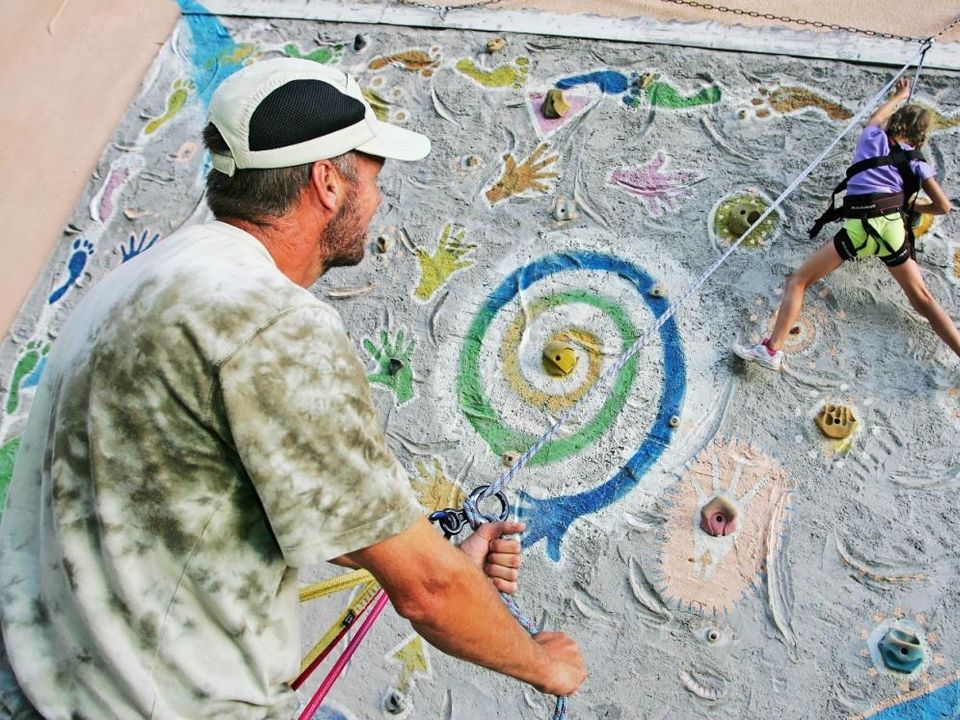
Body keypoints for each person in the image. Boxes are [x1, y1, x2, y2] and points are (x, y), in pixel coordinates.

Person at [0, 59, 586, 719]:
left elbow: (208, 484)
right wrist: (544, 663)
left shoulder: (141, 282)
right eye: (372, 177)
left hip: (41, 692)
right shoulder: (271, 322)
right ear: (327, 182)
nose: (379, 199)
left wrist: (418, 540)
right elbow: (428, 593)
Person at [734, 78, 959, 371]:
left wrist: (898, 95)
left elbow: (876, 117)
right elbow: (943, 207)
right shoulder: (917, 162)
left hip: (858, 228)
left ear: (894, 123)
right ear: (919, 138)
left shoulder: (871, 137)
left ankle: (772, 350)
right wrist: (912, 205)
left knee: (799, 282)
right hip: (891, 229)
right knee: (923, 299)